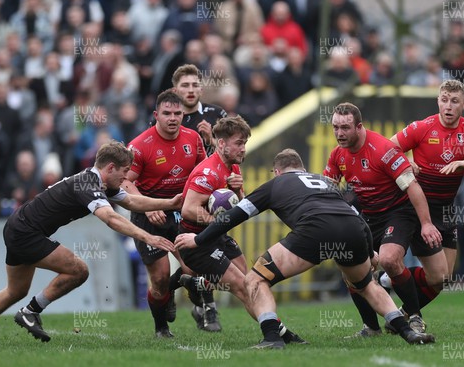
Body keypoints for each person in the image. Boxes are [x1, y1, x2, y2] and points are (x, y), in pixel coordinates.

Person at [176, 149, 435, 349]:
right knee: (366, 284)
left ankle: (271, 338)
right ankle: (407, 331)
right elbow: (356, 214)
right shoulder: (326, 182)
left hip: (315, 230)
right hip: (353, 230)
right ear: (302, 168)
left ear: (277, 172)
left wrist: (197, 240)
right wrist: (368, 253)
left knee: (256, 279)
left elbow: (234, 217)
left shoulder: (275, 185)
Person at [0, 141, 181, 345]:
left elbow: (131, 200)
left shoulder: (99, 182)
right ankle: (31, 311)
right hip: (26, 232)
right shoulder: (87, 184)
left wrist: (169, 203)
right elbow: (110, 217)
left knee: (15, 291)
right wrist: (147, 236)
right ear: (110, 168)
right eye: (124, 173)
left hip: (18, 226)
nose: (126, 179)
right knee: (78, 270)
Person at [176, 116, 304, 344]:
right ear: (221, 143)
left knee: (250, 281)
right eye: (238, 143)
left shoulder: (233, 168)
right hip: (197, 242)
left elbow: (240, 208)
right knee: (244, 287)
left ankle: (199, 283)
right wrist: (215, 223)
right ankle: (280, 334)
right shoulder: (208, 173)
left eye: (244, 143)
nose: (243, 148)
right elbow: (188, 210)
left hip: (218, 236)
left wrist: (239, 192)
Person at [323, 102, 443, 337]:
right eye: (335, 127)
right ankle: (371, 327)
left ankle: (415, 317)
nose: (339, 133)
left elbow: (412, 186)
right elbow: (326, 192)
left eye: (345, 128)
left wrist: (427, 223)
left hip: (398, 212)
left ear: (359, 127)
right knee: (349, 268)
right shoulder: (338, 155)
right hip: (368, 216)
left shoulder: (383, 149)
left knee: (389, 259)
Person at [388, 79, 464, 318]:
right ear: (438, 101)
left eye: (455, 101)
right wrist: (408, 162)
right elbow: (388, 149)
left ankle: (398, 299)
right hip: (420, 208)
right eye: (444, 100)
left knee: (442, 279)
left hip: (447, 210)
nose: (448, 106)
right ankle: (397, 286)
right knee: (437, 276)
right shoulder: (422, 127)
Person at [122, 90, 207, 337]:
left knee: (192, 268)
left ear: (183, 114)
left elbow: (202, 171)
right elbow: (125, 182)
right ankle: (161, 328)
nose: (173, 118)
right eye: (167, 113)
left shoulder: (193, 139)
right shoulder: (138, 146)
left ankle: (171, 291)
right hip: (148, 214)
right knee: (158, 278)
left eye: (178, 113)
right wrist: (150, 206)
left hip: (180, 211)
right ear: (156, 115)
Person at [172, 64, 228, 156]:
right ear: (175, 91)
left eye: (195, 85)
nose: (191, 90)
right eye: (185, 85)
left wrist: (211, 140)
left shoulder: (218, 114)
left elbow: (234, 154)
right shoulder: (163, 120)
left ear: (201, 90)